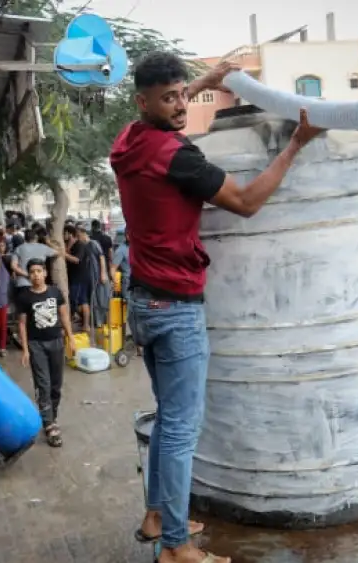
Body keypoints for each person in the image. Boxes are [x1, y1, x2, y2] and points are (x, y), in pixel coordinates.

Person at [109, 52, 324, 563]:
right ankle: (178, 547)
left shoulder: (128, 140)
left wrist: (207, 80)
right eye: (170, 98)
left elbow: (171, 106)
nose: (182, 104)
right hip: (177, 305)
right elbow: (247, 201)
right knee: (183, 428)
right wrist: (295, 144)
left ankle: (157, 514)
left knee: (168, 419)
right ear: (145, 102)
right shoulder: (177, 157)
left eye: (185, 93)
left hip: (142, 299)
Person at [17, 259, 76, 447]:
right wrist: (25, 349)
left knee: (56, 385)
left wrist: (71, 338)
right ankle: (49, 424)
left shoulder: (55, 292)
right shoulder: (25, 297)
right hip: (36, 345)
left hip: (56, 342)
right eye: (32, 271)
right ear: (29, 275)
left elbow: (64, 316)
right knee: (43, 384)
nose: (35, 275)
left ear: (45, 273)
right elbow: (22, 324)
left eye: (38, 271)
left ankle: (53, 416)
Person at [63, 224, 97, 344]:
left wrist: (63, 254)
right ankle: (85, 324)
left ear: (70, 234)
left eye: (65, 233)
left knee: (78, 301)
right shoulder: (70, 245)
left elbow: (77, 260)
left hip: (80, 278)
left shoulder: (80, 245)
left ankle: (85, 324)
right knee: (81, 301)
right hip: (74, 278)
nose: (63, 236)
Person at [12, 228, 58, 296]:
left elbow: (13, 266)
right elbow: (58, 252)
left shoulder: (18, 249)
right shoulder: (43, 247)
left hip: (23, 283)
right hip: (39, 283)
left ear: (25, 238)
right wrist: (48, 242)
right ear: (36, 237)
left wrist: (27, 274)